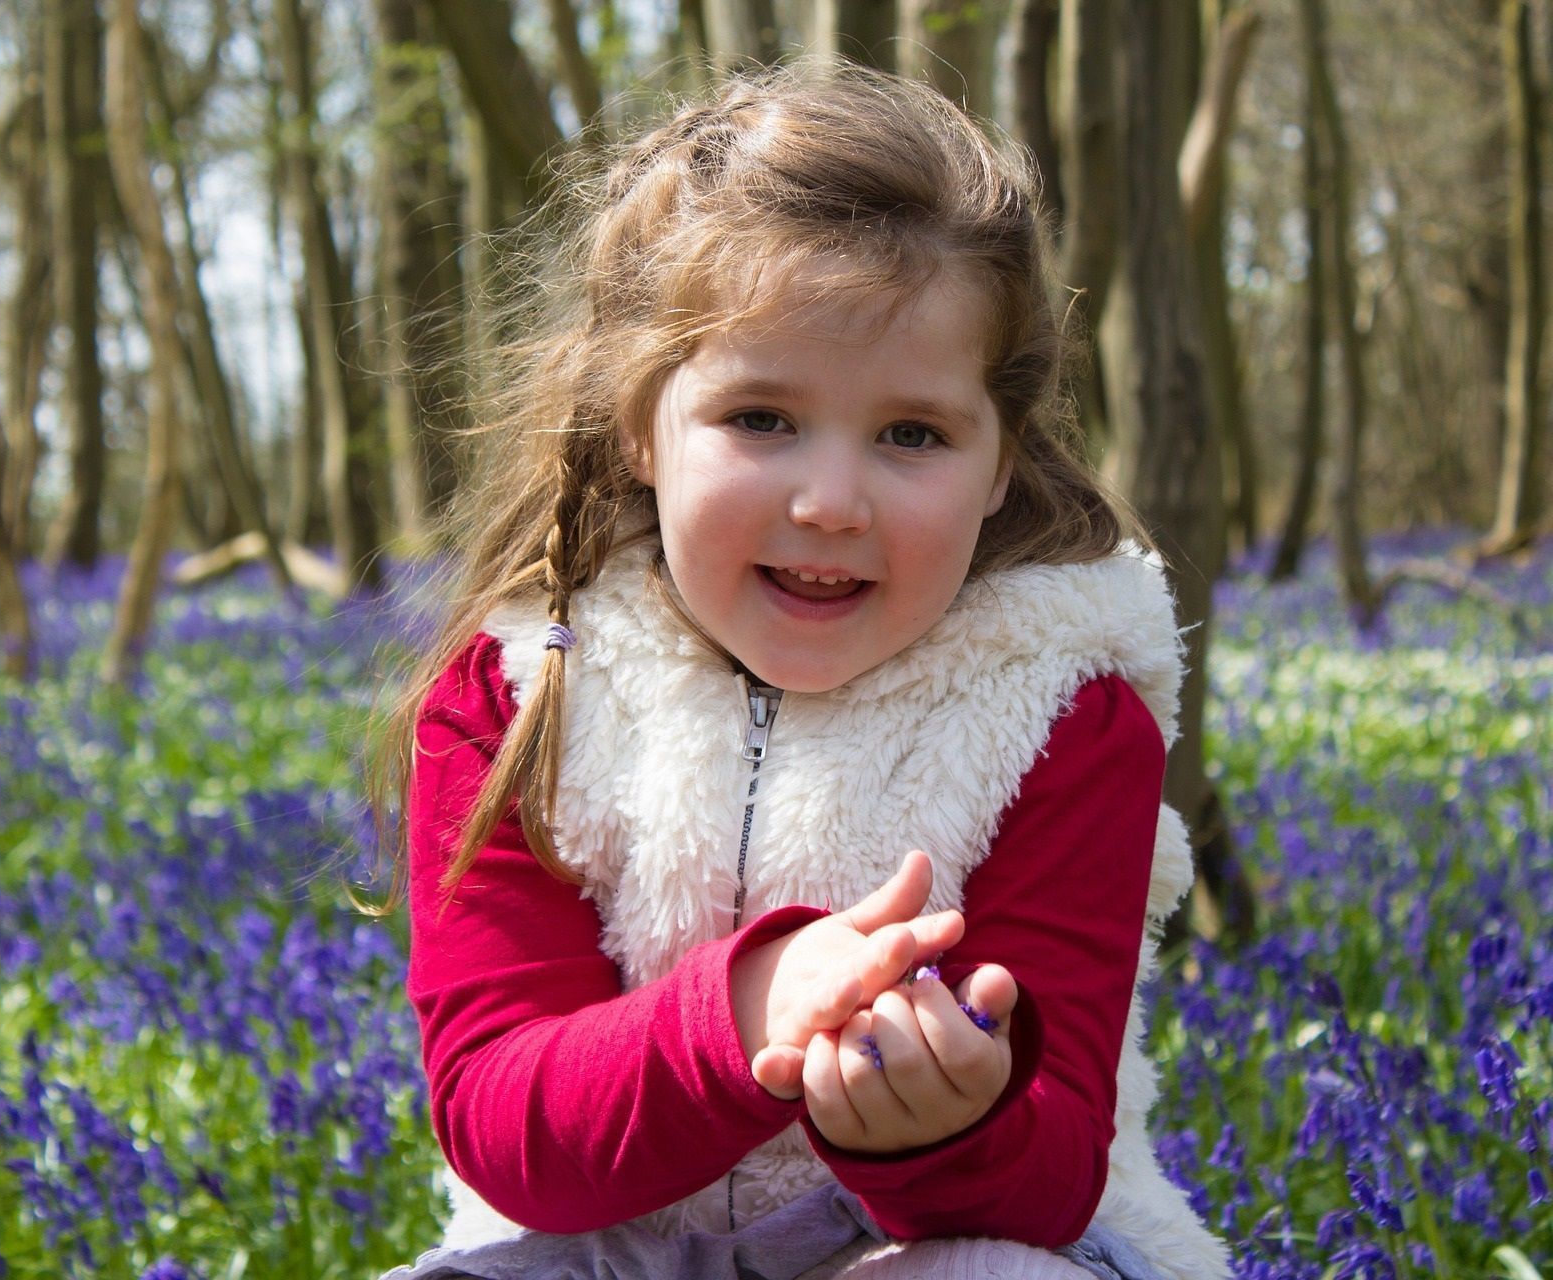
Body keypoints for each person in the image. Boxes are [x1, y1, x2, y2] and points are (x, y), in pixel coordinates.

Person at [373, 64, 1232, 1280]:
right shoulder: (521, 692)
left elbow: (1049, 1175)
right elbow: (502, 1126)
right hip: (601, 1249)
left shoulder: (1063, 710)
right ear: (639, 422)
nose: (830, 502)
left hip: (923, 1244)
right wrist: (744, 1011)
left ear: (1000, 463)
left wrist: (952, 1119)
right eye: (762, 417)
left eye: (912, 435)